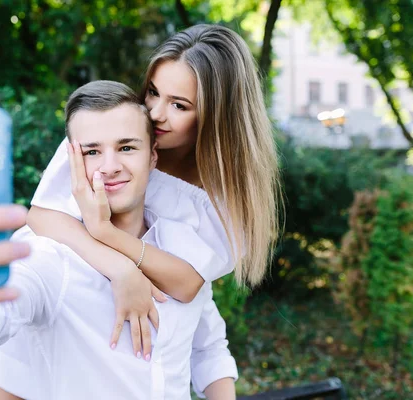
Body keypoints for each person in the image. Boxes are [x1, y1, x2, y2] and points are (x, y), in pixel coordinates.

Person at [0, 81, 238, 399]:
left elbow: (208, 348)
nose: (110, 166)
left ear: (153, 157)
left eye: (127, 148)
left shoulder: (180, 247)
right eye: (92, 151)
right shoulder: (52, 256)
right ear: (71, 162)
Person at [24, 23, 280, 358]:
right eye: (154, 92)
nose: (156, 113)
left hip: (136, 347)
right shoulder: (112, 133)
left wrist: (105, 232)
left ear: (216, 116)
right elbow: (42, 214)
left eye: (179, 105)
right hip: (53, 314)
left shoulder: (226, 198)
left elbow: (187, 284)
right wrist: (120, 267)